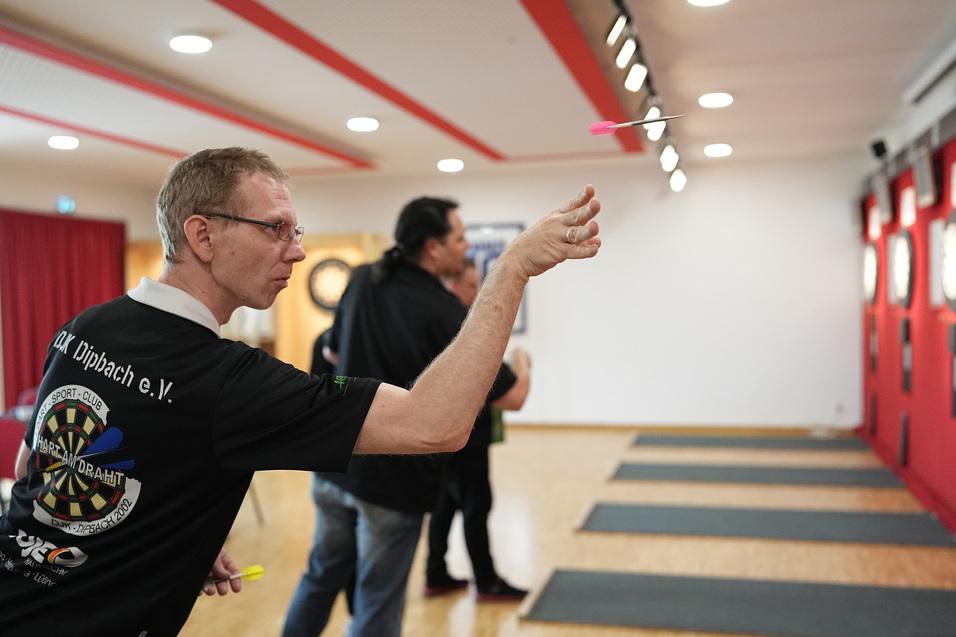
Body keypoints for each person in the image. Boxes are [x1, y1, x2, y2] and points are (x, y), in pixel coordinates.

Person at [0, 147, 602, 637]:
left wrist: (161, 527)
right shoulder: (227, 381)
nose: (298, 248)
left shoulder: (88, 326)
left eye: (297, 229)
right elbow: (434, 423)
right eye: (275, 229)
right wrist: (509, 271)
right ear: (203, 236)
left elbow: (39, 462)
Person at [283, 196, 482, 637]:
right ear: (433, 247)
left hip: (334, 465)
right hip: (391, 485)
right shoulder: (442, 310)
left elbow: (330, 349)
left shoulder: (361, 280)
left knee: (320, 576)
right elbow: (506, 393)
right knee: (377, 603)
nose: (467, 247)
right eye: (461, 238)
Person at [425, 260, 531, 601]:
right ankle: (487, 582)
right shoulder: (462, 329)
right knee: (475, 505)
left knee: (445, 504)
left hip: (438, 435)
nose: (477, 293)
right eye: (472, 286)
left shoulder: (433, 325)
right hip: (464, 439)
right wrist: (523, 365)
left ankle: (436, 573)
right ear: (453, 286)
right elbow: (515, 398)